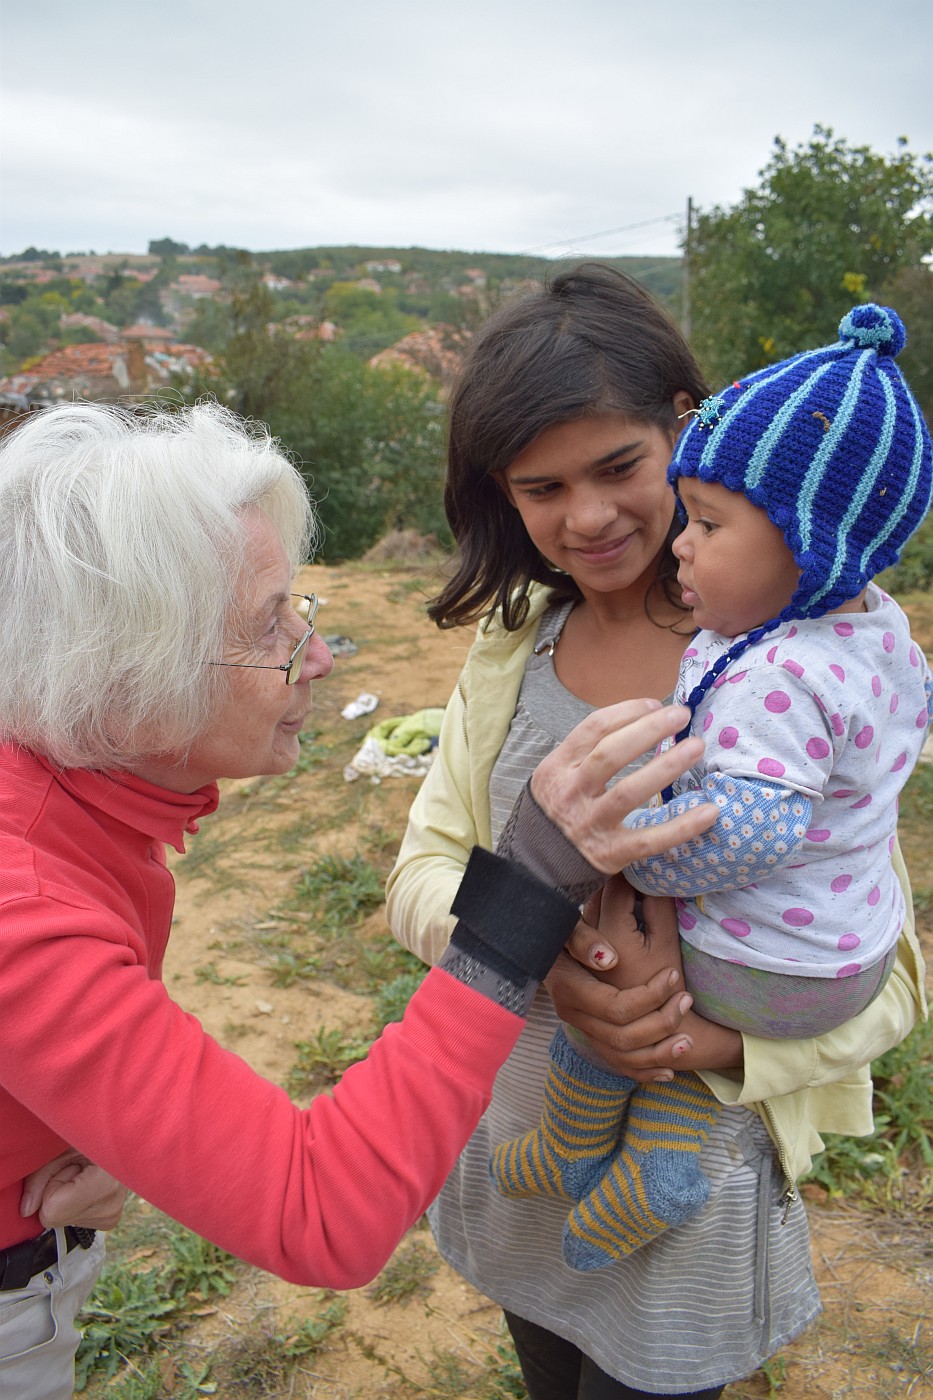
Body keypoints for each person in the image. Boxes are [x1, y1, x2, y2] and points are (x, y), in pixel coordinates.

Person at [0, 399, 715, 1400]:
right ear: (125, 681)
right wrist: (532, 885)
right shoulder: (22, 910)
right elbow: (318, 1207)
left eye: (302, 609)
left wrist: (75, 1120)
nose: (320, 655)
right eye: (269, 626)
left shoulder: (68, 805)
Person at [386, 265, 927, 1400]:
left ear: (690, 427)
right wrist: (524, 944)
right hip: (531, 1135)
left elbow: (890, 978)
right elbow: (420, 871)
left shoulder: (785, 670)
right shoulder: (514, 642)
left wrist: (722, 1048)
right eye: (541, 486)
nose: (586, 515)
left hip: (687, 1181)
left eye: (621, 467)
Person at [489, 302, 933, 1272]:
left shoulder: (778, 674)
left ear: (813, 550)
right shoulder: (876, 635)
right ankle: (646, 1154)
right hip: (821, 960)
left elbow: (755, 830)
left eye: (711, 523)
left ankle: (593, 1143)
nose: (683, 541)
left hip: (765, 985)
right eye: (543, 485)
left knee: (619, 914)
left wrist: (627, 837)